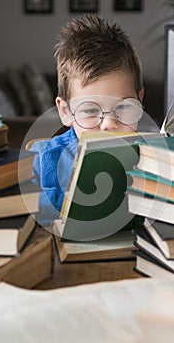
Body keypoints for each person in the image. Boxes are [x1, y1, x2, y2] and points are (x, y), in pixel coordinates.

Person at [30, 14, 144, 226]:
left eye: (124, 107)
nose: (109, 123)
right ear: (65, 111)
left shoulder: (154, 157)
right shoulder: (40, 160)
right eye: (91, 110)